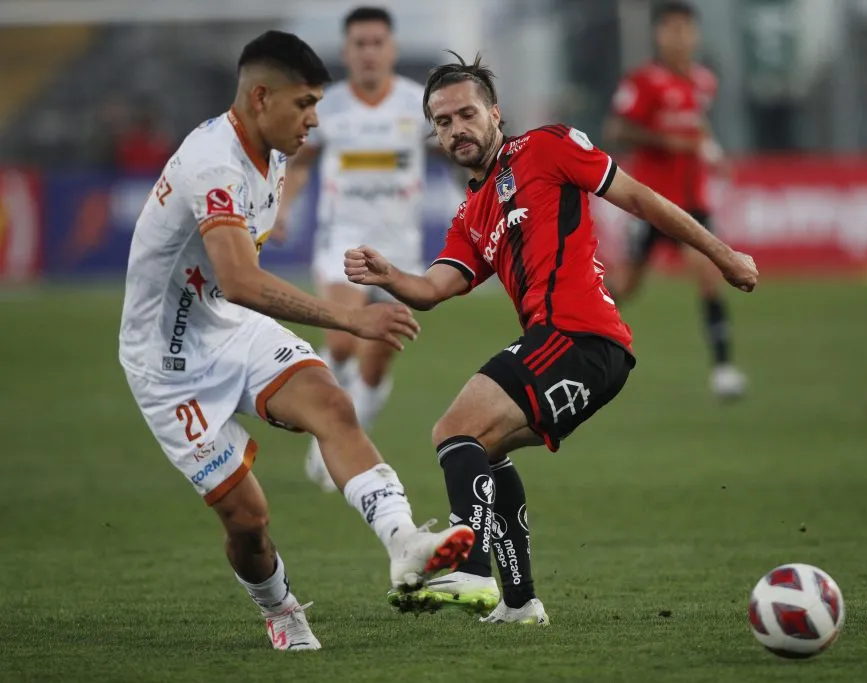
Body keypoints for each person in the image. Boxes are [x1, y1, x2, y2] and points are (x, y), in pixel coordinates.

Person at [342, 52, 758, 625]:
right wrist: (389, 275)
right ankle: (520, 604)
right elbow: (434, 288)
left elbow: (640, 198)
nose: (457, 129)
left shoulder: (547, 147)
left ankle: (473, 570)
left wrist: (723, 254)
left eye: (467, 114)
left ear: (495, 113)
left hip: (582, 335)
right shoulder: (471, 214)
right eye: (443, 122)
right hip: (572, 347)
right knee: (484, 449)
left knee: (454, 430)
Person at [117, 30, 474, 651]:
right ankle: (280, 610)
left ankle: (405, 543)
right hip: (167, 365)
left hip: (228, 326)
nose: (315, 119)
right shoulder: (213, 163)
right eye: (305, 104)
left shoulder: (276, 151)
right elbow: (240, 280)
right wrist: (353, 319)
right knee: (248, 521)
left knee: (333, 404)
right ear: (261, 98)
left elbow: (233, 286)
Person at [272, 7, 434, 492]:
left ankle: (351, 421)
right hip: (342, 238)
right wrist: (282, 209)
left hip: (400, 249)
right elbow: (301, 163)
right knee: (343, 340)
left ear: (392, 49)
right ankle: (334, 435)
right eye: (360, 44)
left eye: (377, 43)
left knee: (377, 360)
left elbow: (454, 153)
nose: (368, 52)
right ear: (346, 51)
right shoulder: (329, 108)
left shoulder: (418, 105)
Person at [603, 1, 748, 399]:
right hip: (649, 202)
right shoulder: (643, 81)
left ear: (695, 34)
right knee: (625, 285)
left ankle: (724, 370)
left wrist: (714, 154)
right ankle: (567, 327)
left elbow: (698, 126)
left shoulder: (703, 81)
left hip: (691, 203)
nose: (679, 37)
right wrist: (664, 141)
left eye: (685, 29)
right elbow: (617, 129)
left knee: (709, 275)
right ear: (659, 34)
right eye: (671, 29)